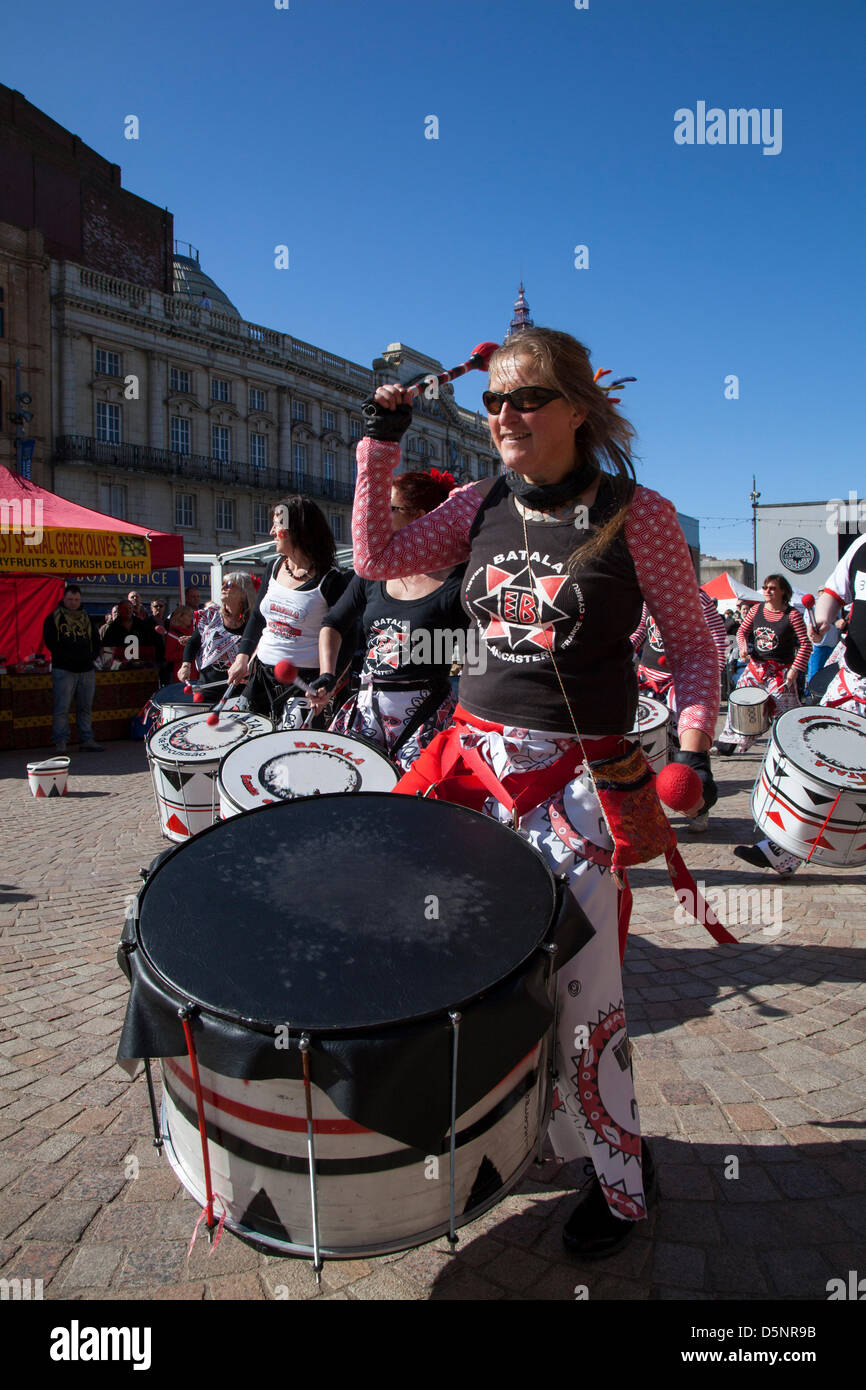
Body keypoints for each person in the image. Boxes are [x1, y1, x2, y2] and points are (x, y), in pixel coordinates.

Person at [351, 327, 720, 1259]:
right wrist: (379, 444)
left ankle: (622, 1180)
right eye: (493, 400)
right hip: (468, 770)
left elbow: (695, 646)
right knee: (458, 967)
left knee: (583, 991)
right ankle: (519, 1135)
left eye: (525, 398)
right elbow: (376, 561)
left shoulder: (642, 515)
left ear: (577, 409)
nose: (504, 415)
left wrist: (695, 747)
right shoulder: (476, 503)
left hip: (579, 787)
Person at [309, 470, 467, 769]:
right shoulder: (374, 572)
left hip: (428, 714)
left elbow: (477, 656)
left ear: (421, 517)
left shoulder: (459, 581)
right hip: (367, 709)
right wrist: (328, 674)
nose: (380, 519)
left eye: (390, 510)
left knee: (411, 803)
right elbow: (333, 623)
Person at [735, 535, 866, 872]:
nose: (766, 592)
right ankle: (785, 850)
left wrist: (794, 669)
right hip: (853, 677)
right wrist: (822, 619)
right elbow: (833, 594)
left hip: (799, 676)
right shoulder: (862, 546)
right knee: (825, 766)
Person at [226, 498, 349, 725]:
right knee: (245, 743)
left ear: (298, 530)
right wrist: (242, 658)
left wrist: (328, 682)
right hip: (261, 676)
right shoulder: (274, 567)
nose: (272, 531)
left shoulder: (331, 580)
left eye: (277, 526)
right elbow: (258, 617)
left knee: (290, 752)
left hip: (304, 682)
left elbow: (348, 637)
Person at [630, 590, 727, 832]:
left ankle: (698, 806)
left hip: (683, 684)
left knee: (687, 754)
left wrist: (709, 680)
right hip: (648, 681)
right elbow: (641, 630)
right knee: (644, 750)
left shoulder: (697, 596)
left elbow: (717, 637)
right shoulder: (647, 595)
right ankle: (647, 809)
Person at [715, 574, 810, 755]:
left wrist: (794, 671)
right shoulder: (756, 610)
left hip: (781, 670)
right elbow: (742, 632)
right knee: (739, 699)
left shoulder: (792, 615)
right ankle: (728, 743)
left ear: (783, 591)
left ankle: (788, 749)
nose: (767, 591)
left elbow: (805, 644)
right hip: (756, 666)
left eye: (772, 588)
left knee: (783, 709)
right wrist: (743, 648)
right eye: (765, 587)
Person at [42, 584, 103, 752]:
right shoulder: (53, 618)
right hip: (64, 669)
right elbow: (51, 642)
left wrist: (92, 656)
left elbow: (96, 640)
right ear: (63, 598)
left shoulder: (87, 618)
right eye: (70, 599)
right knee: (62, 708)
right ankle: (61, 741)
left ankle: (86, 739)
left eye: (76, 599)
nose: (73, 602)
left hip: (86, 669)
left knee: (85, 707)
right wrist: (68, 658)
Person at [177, 572, 257, 689]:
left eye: (229, 584)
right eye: (223, 584)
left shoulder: (254, 621)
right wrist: (186, 666)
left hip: (239, 687)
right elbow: (194, 642)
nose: (223, 587)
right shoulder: (211, 615)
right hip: (207, 685)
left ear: (243, 593)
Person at [99, 600, 154, 668]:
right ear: (119, 611)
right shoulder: (113, 628)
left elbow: (149, 643)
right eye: (125, 608)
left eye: (130, 608)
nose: (128, 611)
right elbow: (106, 648)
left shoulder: (141, 625)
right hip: (119, 666)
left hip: (140, 666)